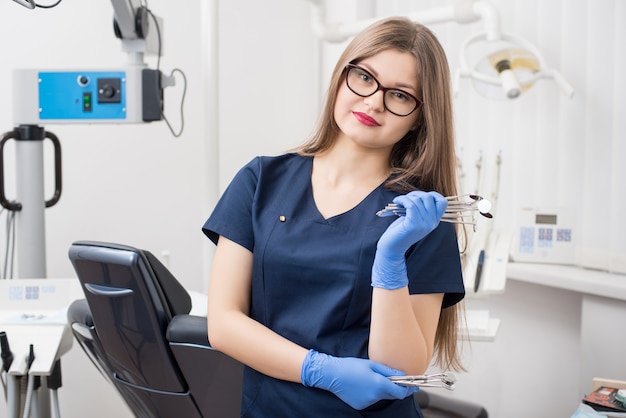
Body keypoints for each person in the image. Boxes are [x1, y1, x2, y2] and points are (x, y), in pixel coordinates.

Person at [203, 16, 466, 418]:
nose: (374, 101)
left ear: (420, 117)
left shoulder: (421, 217)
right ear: (342, 75)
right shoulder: (261, 181)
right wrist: (319, 370)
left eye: (399, 95)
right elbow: (223, 323)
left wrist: (390, 262)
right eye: (364, 77)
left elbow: (402, 370)